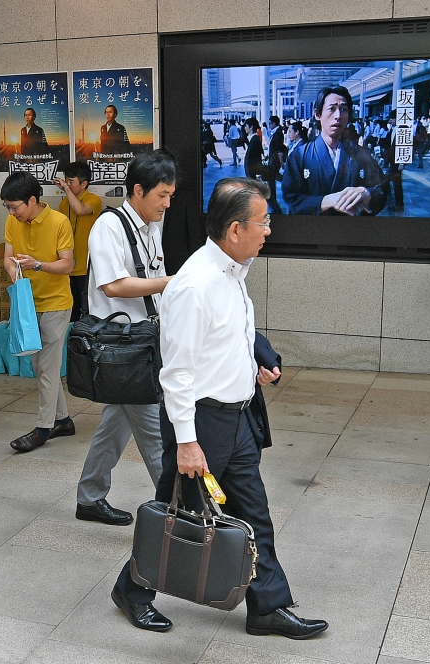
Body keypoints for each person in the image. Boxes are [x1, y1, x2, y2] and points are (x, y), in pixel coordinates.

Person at [110, 178, 328, 640]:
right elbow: (178, 373)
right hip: (202, 424)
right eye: (262, 221)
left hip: (238, 418)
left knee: (255, 514)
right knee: (176, 515)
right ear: (234, 230)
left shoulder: (232, 272)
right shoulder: (195, 285)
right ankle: (132, 588)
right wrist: (187, 442)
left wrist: (253, 368)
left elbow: (226, 342)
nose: (268, 229)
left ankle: (267, 605)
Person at [75, 151, 177, 526]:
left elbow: (151, 283)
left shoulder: (151, 226)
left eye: (170, 195)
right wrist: (170, 282)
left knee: (114, 426)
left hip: (143, 344)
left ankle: (89, 497)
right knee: (156, 435)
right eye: (161, 195)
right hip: (122, 346)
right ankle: (176, 513)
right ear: (138, 190)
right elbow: (114, 285)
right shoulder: (109, 225)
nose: (167, 203)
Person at [1, 171, 76, 453]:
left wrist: (37, 265)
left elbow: (67, 265)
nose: (11, 212)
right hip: (28, 304)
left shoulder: (59, 222)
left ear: (32, 200)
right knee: (41, 365)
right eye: (7, 207)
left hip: (56, 303)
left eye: (14, 206)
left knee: (46, 367)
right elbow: (7, 257)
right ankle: (64, 421)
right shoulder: (12, 221)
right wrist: (13, 271)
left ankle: (43, 428)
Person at [282, 86, 386, 216]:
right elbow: (291, 198)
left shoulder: (360, 154)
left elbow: (382, 188)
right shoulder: (300, 155)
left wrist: (367, 193)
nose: (338, 116)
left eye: (343, 109)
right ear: (318, 114)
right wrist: (327, 200)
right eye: (332, 109)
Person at [55, 161, 103, 322]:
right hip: (68, 265)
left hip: (87, 265)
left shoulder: (94, 200)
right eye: (66, 181)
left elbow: (80, 210)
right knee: (72, 311)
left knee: (87, 310)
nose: (67, 185)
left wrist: (66, 190)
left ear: (84, 184)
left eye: (71, 182)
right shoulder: (64, 204)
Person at [265, 115, 286, 213]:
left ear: (274, 123)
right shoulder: (276, 133)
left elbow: (278, 149)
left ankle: (273, 202)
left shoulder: (278, 134)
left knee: (272, 177)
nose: (269, 125)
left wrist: (280, 162)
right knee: (272, 179)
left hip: (275, 161)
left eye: (270, 123)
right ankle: (272, 201)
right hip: (273, 159)